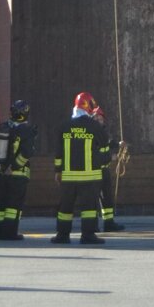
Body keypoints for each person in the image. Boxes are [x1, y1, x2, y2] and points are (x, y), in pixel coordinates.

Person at [51, 90, 110, 245]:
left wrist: (58, 171)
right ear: (88, 106)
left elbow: (58, 153)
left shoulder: (64, 126)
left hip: (68, 177)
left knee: (65, 208)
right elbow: (105, 146)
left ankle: (62, 235)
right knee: (89, 208)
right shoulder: (95, 126)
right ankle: (88, 236)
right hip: (90, 177)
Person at [0, 98, 37, 241]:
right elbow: (27, 153)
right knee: (13, 205)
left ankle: (0, 233)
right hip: (18, 175)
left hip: (2, 174)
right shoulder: (27, 130)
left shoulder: (2, 128)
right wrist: (14, 167)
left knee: (1, 204)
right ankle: (11, 234)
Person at [95, 103, 126, 233]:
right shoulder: (91, 134)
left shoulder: (104, 133)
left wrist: (119, 145)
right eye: (96, 118)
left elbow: (110, 143)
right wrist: (110, 157)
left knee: (107, 198)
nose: (99, 120)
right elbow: (94, 154)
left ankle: (109, 223)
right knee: (93, 199)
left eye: (100, 118)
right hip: (95, 171)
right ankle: (92, 225)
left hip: (105, 171)